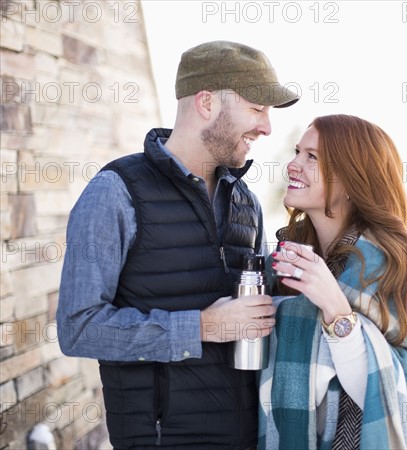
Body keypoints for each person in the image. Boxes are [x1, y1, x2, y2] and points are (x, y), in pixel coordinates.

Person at [57, 41, 299, 449]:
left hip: (244, 438)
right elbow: (78, 329)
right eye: (257, 109)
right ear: (206, 103)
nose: (267, 127)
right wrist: (203, 326)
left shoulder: (247, 204)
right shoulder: (115, 193)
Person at [259, 114, 407, 449]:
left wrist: (334, 307)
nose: (293, 165)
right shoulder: (287, 262)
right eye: (297, 152)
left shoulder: (386, 267)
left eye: (312, 157)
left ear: (350, 178)